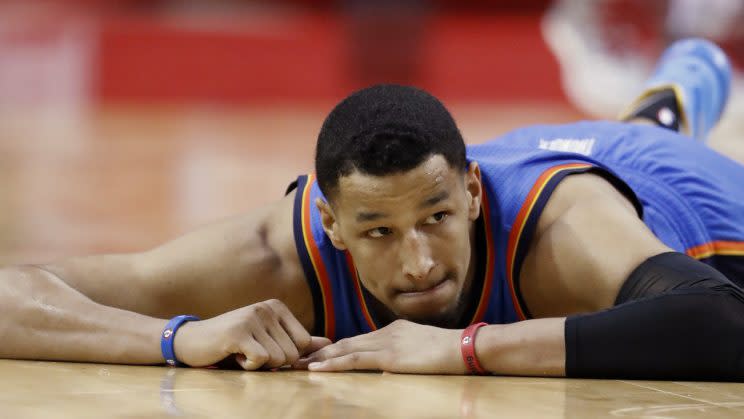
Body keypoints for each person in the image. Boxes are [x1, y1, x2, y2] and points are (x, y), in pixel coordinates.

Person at [1, 38, 742, 380]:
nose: (417, 260)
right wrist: (177, 337)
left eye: (438, 219)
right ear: (331, 223)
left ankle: (663, 113)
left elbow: (720, 323)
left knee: (639, 147)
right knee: (633, 131)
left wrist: (466, 349)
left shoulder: (562, 227)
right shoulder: (280, 252)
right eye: (379, 232)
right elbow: (12, 295)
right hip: (520, 150)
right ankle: (673, 92)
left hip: (691, 193)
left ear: (473, 194)